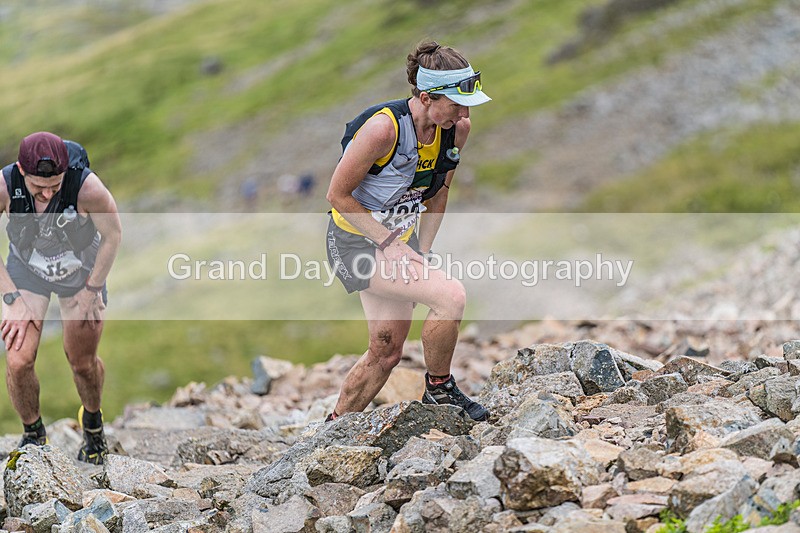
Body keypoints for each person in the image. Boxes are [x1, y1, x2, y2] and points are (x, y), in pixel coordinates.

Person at [325, 41, 491, 422]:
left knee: (386, 351)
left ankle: (329, 434)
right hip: (354, 244)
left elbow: (439, 192)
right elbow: (337, 194)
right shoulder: (383, 130)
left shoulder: (456, 129)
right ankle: (439, 390)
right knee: (450, 296)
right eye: (455, 104)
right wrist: (390, 244)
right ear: (426, 97)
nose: (464, 113)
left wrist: (423, 249)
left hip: (399, 243)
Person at [0, 132, 122, 464]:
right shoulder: (4, 185)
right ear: (23, 172)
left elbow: (113, 235)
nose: (48, 192)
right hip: (27, 271)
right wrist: (10, 297)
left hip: (80, 271)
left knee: (82, 363)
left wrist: (93, 289)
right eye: (39, 187)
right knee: (18, 359)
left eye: (55, 185)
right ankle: (34, 436)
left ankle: (94, 428)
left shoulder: (87, 188)